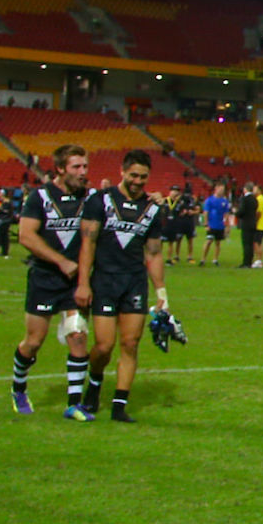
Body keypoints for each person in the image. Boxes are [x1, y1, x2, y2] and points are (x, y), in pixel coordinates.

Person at [73, 150, 168, 423]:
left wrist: (161, 292)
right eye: (134, 175)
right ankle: (95, 380)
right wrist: (83, 283)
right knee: (103, 346)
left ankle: (119, 406)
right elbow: (87, 244)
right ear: (122, 172)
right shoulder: (100, 201)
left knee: (130, 343)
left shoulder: (152, 208)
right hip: (104, 280)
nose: (138, 181)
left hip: (134, 282)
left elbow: (153, 253)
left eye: (144, 176)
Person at [11, 144, 93, 419]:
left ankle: (73, 404)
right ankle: (18, 388)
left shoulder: (90, 197)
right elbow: (26, 236)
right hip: (45, 279)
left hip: (75, 283)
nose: (83, 172)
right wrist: (61, 261)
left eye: (85, 166)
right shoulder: (40, 197)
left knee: (78, 336)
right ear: (60, 169)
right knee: (34, 341)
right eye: (76, 167)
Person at [200, 183, 231, 266]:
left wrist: (227, 226)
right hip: (211, 225)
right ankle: (203, 259)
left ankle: (215, 259)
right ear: (216, 189)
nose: (222, 191)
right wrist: (206, 224)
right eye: (221, 189)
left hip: (220, 225)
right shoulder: (209, 200)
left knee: (218, 243)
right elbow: (205, 213)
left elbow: (226, 214)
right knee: (209, 241)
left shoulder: (225, 201)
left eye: (223, 190)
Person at [240, 181, 263, 269]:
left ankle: (259, 261)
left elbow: (258, 213)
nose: (253, 190)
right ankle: (258, 260)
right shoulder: (260, 198)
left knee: (256, 243)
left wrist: (254, 221)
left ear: (259, 190)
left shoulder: (259, 199)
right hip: (260, 225)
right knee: (257, 243)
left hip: (259, 225)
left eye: (255, 189)